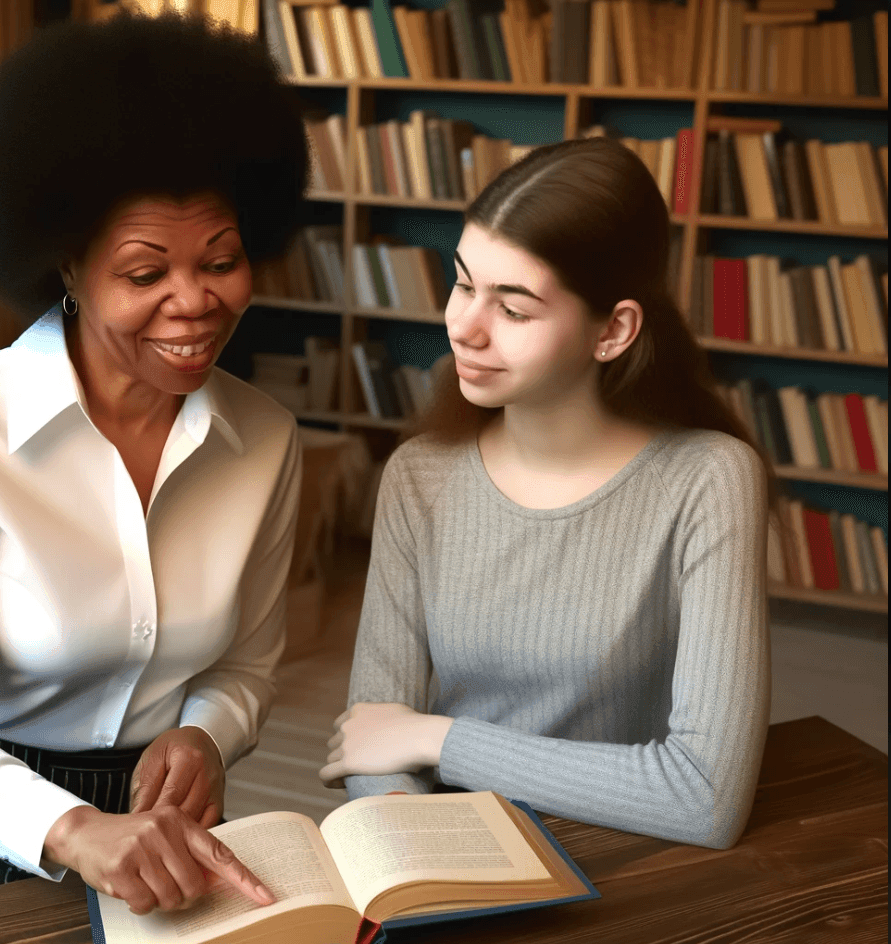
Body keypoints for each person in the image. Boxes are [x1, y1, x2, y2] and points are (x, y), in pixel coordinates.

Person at [0, 8, 308, 914]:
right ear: (66, 265)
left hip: (172, 837)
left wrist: (208, 738)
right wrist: (71, 830)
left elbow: (248, 668)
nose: (195, 302)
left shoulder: (264, 440)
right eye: (145, 274)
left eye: (221, 261)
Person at [319, 136, 778, 851]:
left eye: (514, 309)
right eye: (465, 284)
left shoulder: (709, 479)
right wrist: (427, 869)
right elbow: (372, 742)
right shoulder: (419, 474)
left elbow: (703, 798)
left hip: (624, 856)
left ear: (614, 330)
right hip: (446, 850)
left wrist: (439, 739)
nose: (463, 328)